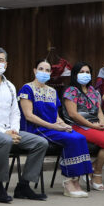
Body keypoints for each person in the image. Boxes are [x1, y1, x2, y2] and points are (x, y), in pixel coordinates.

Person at [0, 47, 48, 203]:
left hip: (8, 131)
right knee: (4, 140)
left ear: (6, 64)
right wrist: (4, 133)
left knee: (40, 143)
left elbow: (15, 112)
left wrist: (14, 131)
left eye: (1, 60)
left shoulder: (10, 86)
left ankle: (23, 185)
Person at [19, 59, 93, 198]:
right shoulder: (27, 88)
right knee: (71, 140)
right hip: (36, 128)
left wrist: (63, 124)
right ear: (35, 71)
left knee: (80, 137)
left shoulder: (52, 91)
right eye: (41, 69)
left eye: (47, 70)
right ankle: (68, 182)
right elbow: (28, 116)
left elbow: (56, 116)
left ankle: (76, 181)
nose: (44, 72)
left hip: (52, 128)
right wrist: (52, 126)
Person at [62, 62, 104, 190]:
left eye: (87, 72)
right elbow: (73, 114)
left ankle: (92, 168)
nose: (85, 75)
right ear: (75, 74)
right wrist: (92, 125)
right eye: (81, 72)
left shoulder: (94, 91)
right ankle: (97, 174)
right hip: (78, 126)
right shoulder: (71, 90)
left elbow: (99, 110)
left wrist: (102, 122)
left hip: (94, 125)